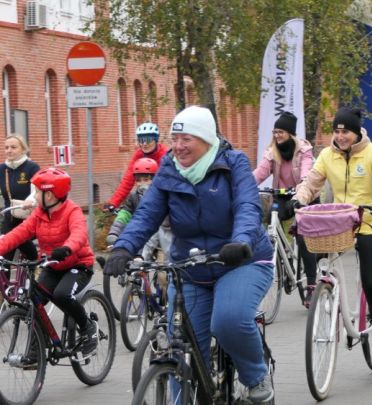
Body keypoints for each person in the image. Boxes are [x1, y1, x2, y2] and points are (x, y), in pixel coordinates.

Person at [103, 105, 275, 403]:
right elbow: (146, 214)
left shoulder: (233, 163)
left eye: (187, 139)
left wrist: (240, 241)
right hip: (190, 267)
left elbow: (247, 206)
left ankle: (256, 377)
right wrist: (123, 247)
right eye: (175, 138)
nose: (179, 146)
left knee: (229, 321)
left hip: (240, 259)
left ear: (206, 139)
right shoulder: (169, 168)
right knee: (181, 345)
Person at [292, 107, 372, 368]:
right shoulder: (327, 155)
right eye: (337, 131)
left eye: (346, 132)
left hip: (371, 222)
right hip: (340, 223)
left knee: (369, 282)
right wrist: (299, 198)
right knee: (320, 255)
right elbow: (311, 183)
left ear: (357, 132)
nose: (340, 137)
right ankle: (328, 294)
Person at [0, 168, 97, 360]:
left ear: (50, 195)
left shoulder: (72, 211)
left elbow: (79, 234)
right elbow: (18, 234)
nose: (34, 196)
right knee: (33, 301)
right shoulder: (39, 214)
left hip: (78, 265)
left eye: (37, 192)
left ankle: (88, 328)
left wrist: (67, 248)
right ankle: (38, 348)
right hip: (52, 266)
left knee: (62, 294)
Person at [253, 111, 317, 306]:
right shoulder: (272, 152)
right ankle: (281, 256)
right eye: (275, 132)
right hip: (282, 195)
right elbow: (260, 173)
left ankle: (311, 285)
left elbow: (307, 175)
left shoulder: (304, 151)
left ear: (290, 133)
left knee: (304, 236)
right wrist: (243, 186)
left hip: (305, 195)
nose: (277, 135)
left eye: (280, 132)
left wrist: (301, 192)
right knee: (271, 220)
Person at [105, 157, 172, 261]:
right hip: (142, 235)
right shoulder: (133, 197)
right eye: (138, 180)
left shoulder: (162, 196)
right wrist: (114, 232)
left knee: (168, 261)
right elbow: (124, 215)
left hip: (161, 235)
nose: (142, 183)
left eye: (146, 180)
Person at [103, 122, 169, 211]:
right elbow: (128, 180)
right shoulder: (139, 155)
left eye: (148, 139)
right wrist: (113, 203)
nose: (144, 143)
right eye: (141, 140)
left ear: (156, 140)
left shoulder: (165, 155)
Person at [0, 135, 40, 262]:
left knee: (20, 239)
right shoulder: (2, 169)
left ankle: (34, 261)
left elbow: (37, 189)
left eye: (13, 147)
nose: (9, 150)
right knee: (4, 257)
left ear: (23, 149)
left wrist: (31, 200)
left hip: (28, 217)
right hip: (9, 216)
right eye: (6, 147)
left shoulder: (32, 167)